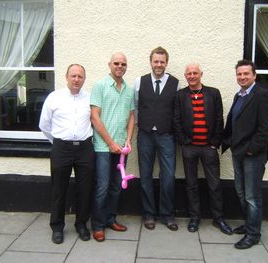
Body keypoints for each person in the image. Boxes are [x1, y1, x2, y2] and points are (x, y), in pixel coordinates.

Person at [173, 63, 232, 234]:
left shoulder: (213, 93)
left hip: (209, 147)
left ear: (201, 74)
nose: (192, 76)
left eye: (195, 73)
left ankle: (219, 219)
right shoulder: (180, 96)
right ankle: (194, 218)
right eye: (189, 73)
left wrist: (215, 143)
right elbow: (176, 121)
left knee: (214, 185)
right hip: (189, 147)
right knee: (191, 185)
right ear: (185, 76)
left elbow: (219, 119)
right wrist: (184, 141)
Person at [39, 64, 94, 244]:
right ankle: (57, 227)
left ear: (84, 79)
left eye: (80, 76)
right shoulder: (54, 98)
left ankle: (81, 224)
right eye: (73, 76)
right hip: (61, 148)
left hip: (85, 148)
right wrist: (57, 142)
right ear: (66, 77)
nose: (76, 79)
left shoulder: (90, 98)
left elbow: (95, 121)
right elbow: (44, 125)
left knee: (84, 189)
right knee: (58, 189)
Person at [222, 59, 268, 249]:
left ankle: (253, 234)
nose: (242, 77)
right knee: (241, 191)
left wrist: (252, 149)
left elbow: (267, 128)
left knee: (252, 196)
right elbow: (235, 124)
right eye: (239, 74)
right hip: (238, 153)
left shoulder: (262, 95)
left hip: (253, 155)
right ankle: (249, 224)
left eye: (246, 74)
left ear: (254, 75)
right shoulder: (240, 95)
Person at [134, 46, 180, 231]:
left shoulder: (175, 83)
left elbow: (176, 109)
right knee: (145, 175)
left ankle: (167, 215)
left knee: (168, 176)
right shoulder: (140, 81)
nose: (159, 64)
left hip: (167, 135)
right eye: (156, 61)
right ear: (150, 62)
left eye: (162, 61)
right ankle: (148, 214)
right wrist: (141, 124)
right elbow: (136, 107)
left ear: (166, 63)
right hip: (145, 135)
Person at [90, 52, 135, 242]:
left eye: (123, 64)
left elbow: (132, 115)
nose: (120, 66)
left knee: (116, 186)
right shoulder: (99, 86)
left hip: (122, 149)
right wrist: (110, 143)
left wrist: (128, 139)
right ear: (109, 64)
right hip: (103, 147)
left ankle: (110, 219)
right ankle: (97, 225)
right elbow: (94, 117)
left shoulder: (129, 89)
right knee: (102, 186)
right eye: (116, 63)